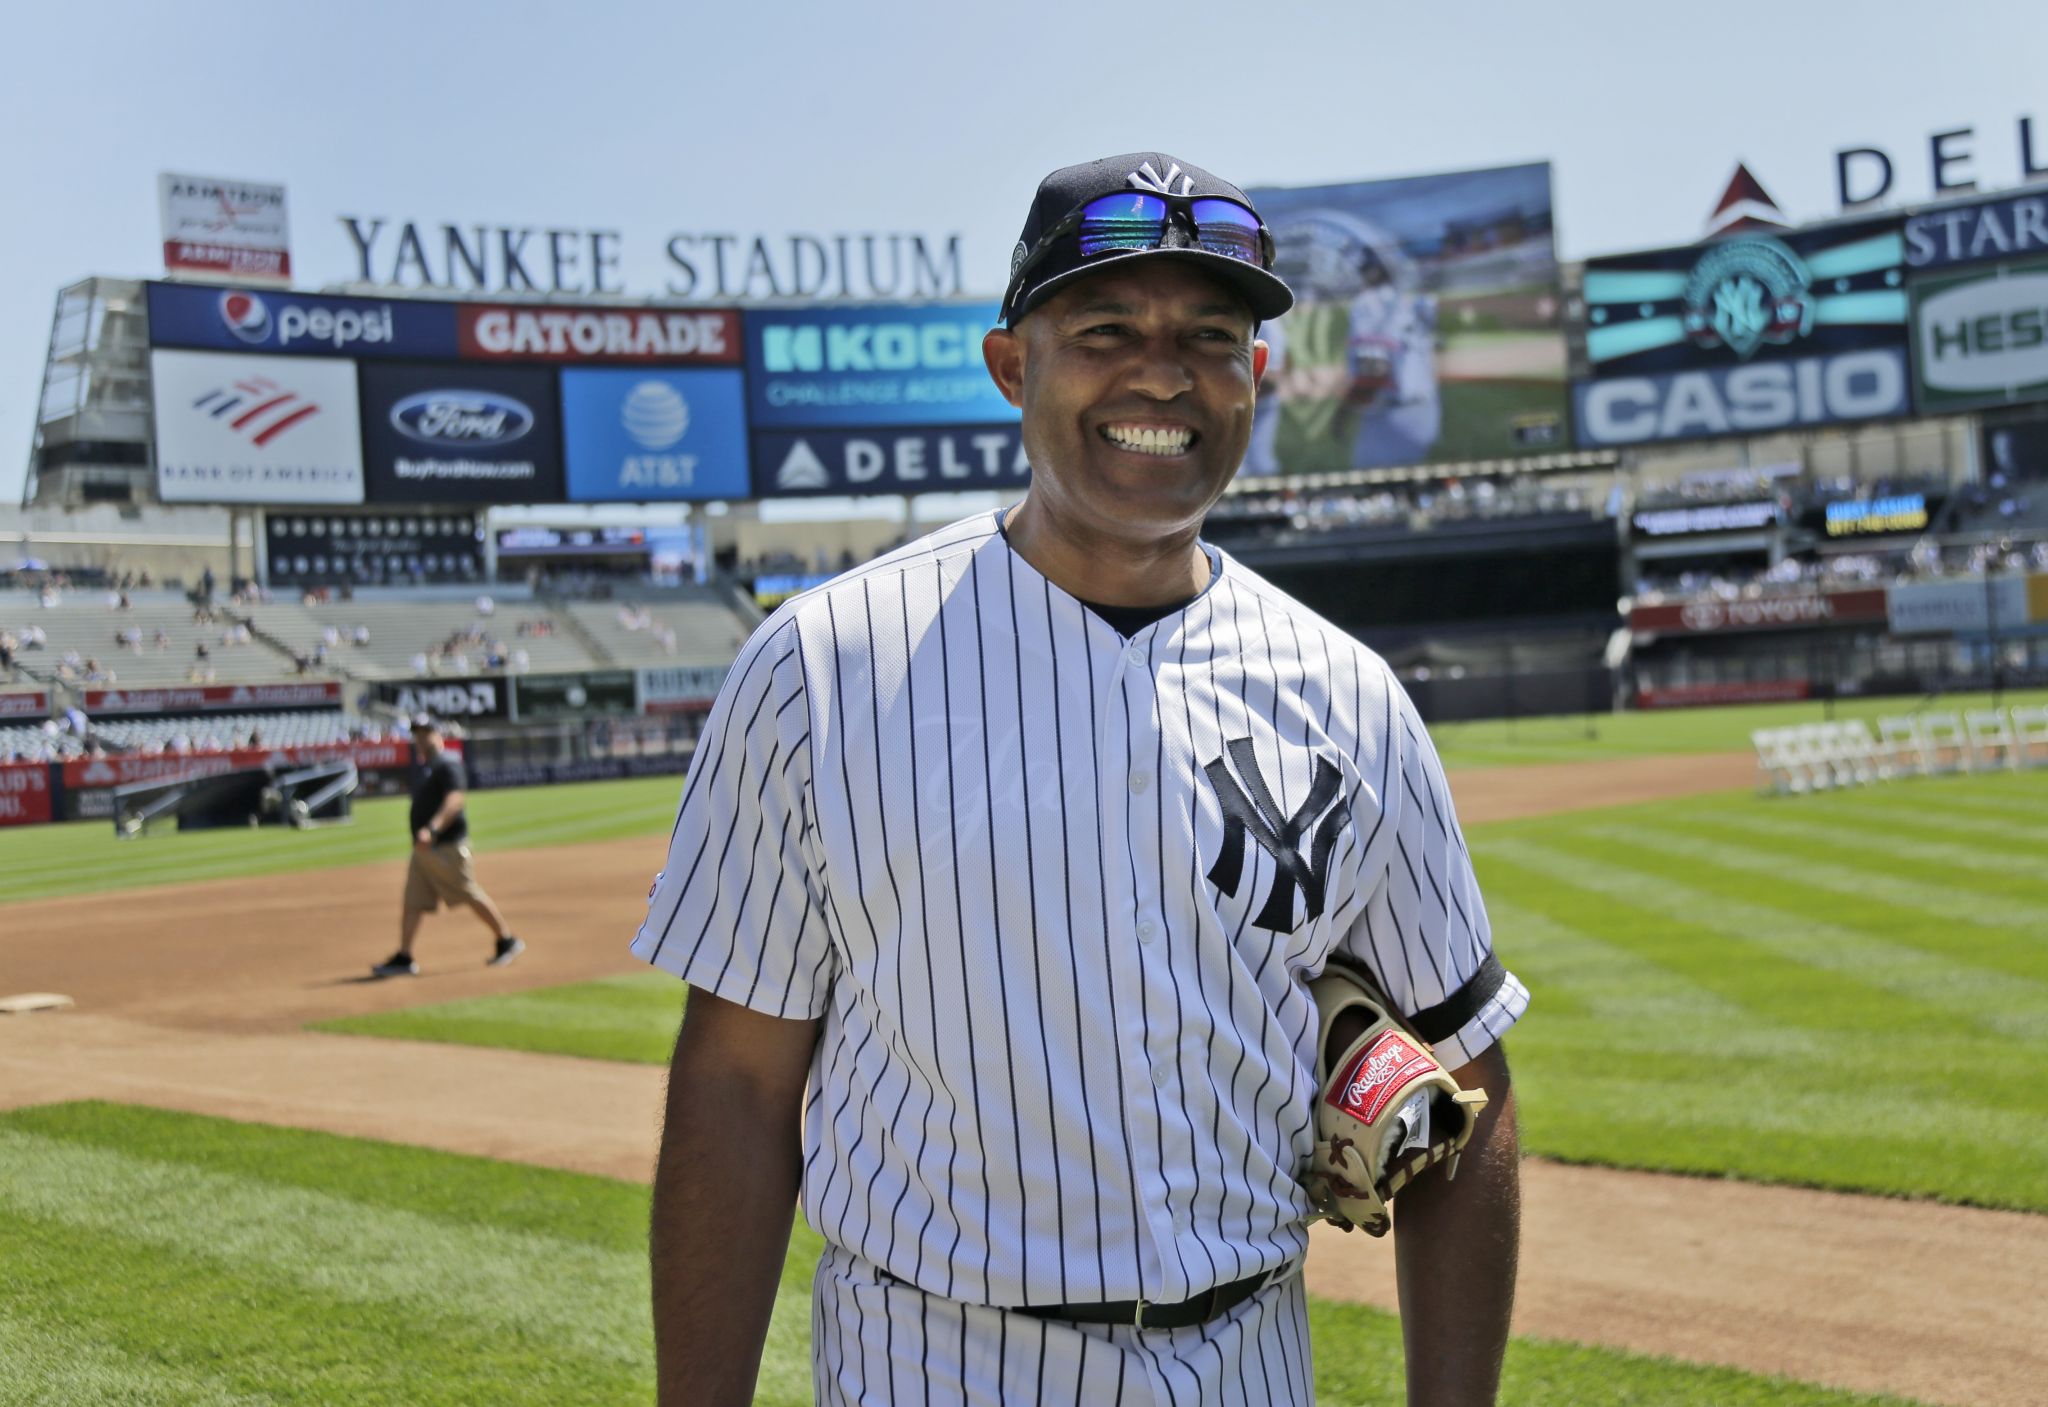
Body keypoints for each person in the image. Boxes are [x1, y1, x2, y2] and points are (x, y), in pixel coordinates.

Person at [636, 152, 1525, 1407]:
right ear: (1013, 367)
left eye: (1209, 339)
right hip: (931, 1363)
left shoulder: (1349, 695)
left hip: (1249, 1362)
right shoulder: (824, 666)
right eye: (1106, 330)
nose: (1161, 374)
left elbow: (1463, 1076)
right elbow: (735, 1084)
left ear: (1255, 379)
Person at [371, 716, 523, 978]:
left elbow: (455, 800)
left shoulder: (447, 762)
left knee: (468, 892)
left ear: (438, 735)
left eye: (426, 732)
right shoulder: (425, 766)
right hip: (423, 851)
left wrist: (432, 829)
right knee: (413, 901)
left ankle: (506, 939)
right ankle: (404, 956)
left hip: (446, 846)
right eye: (417, 734)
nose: (420, 738)